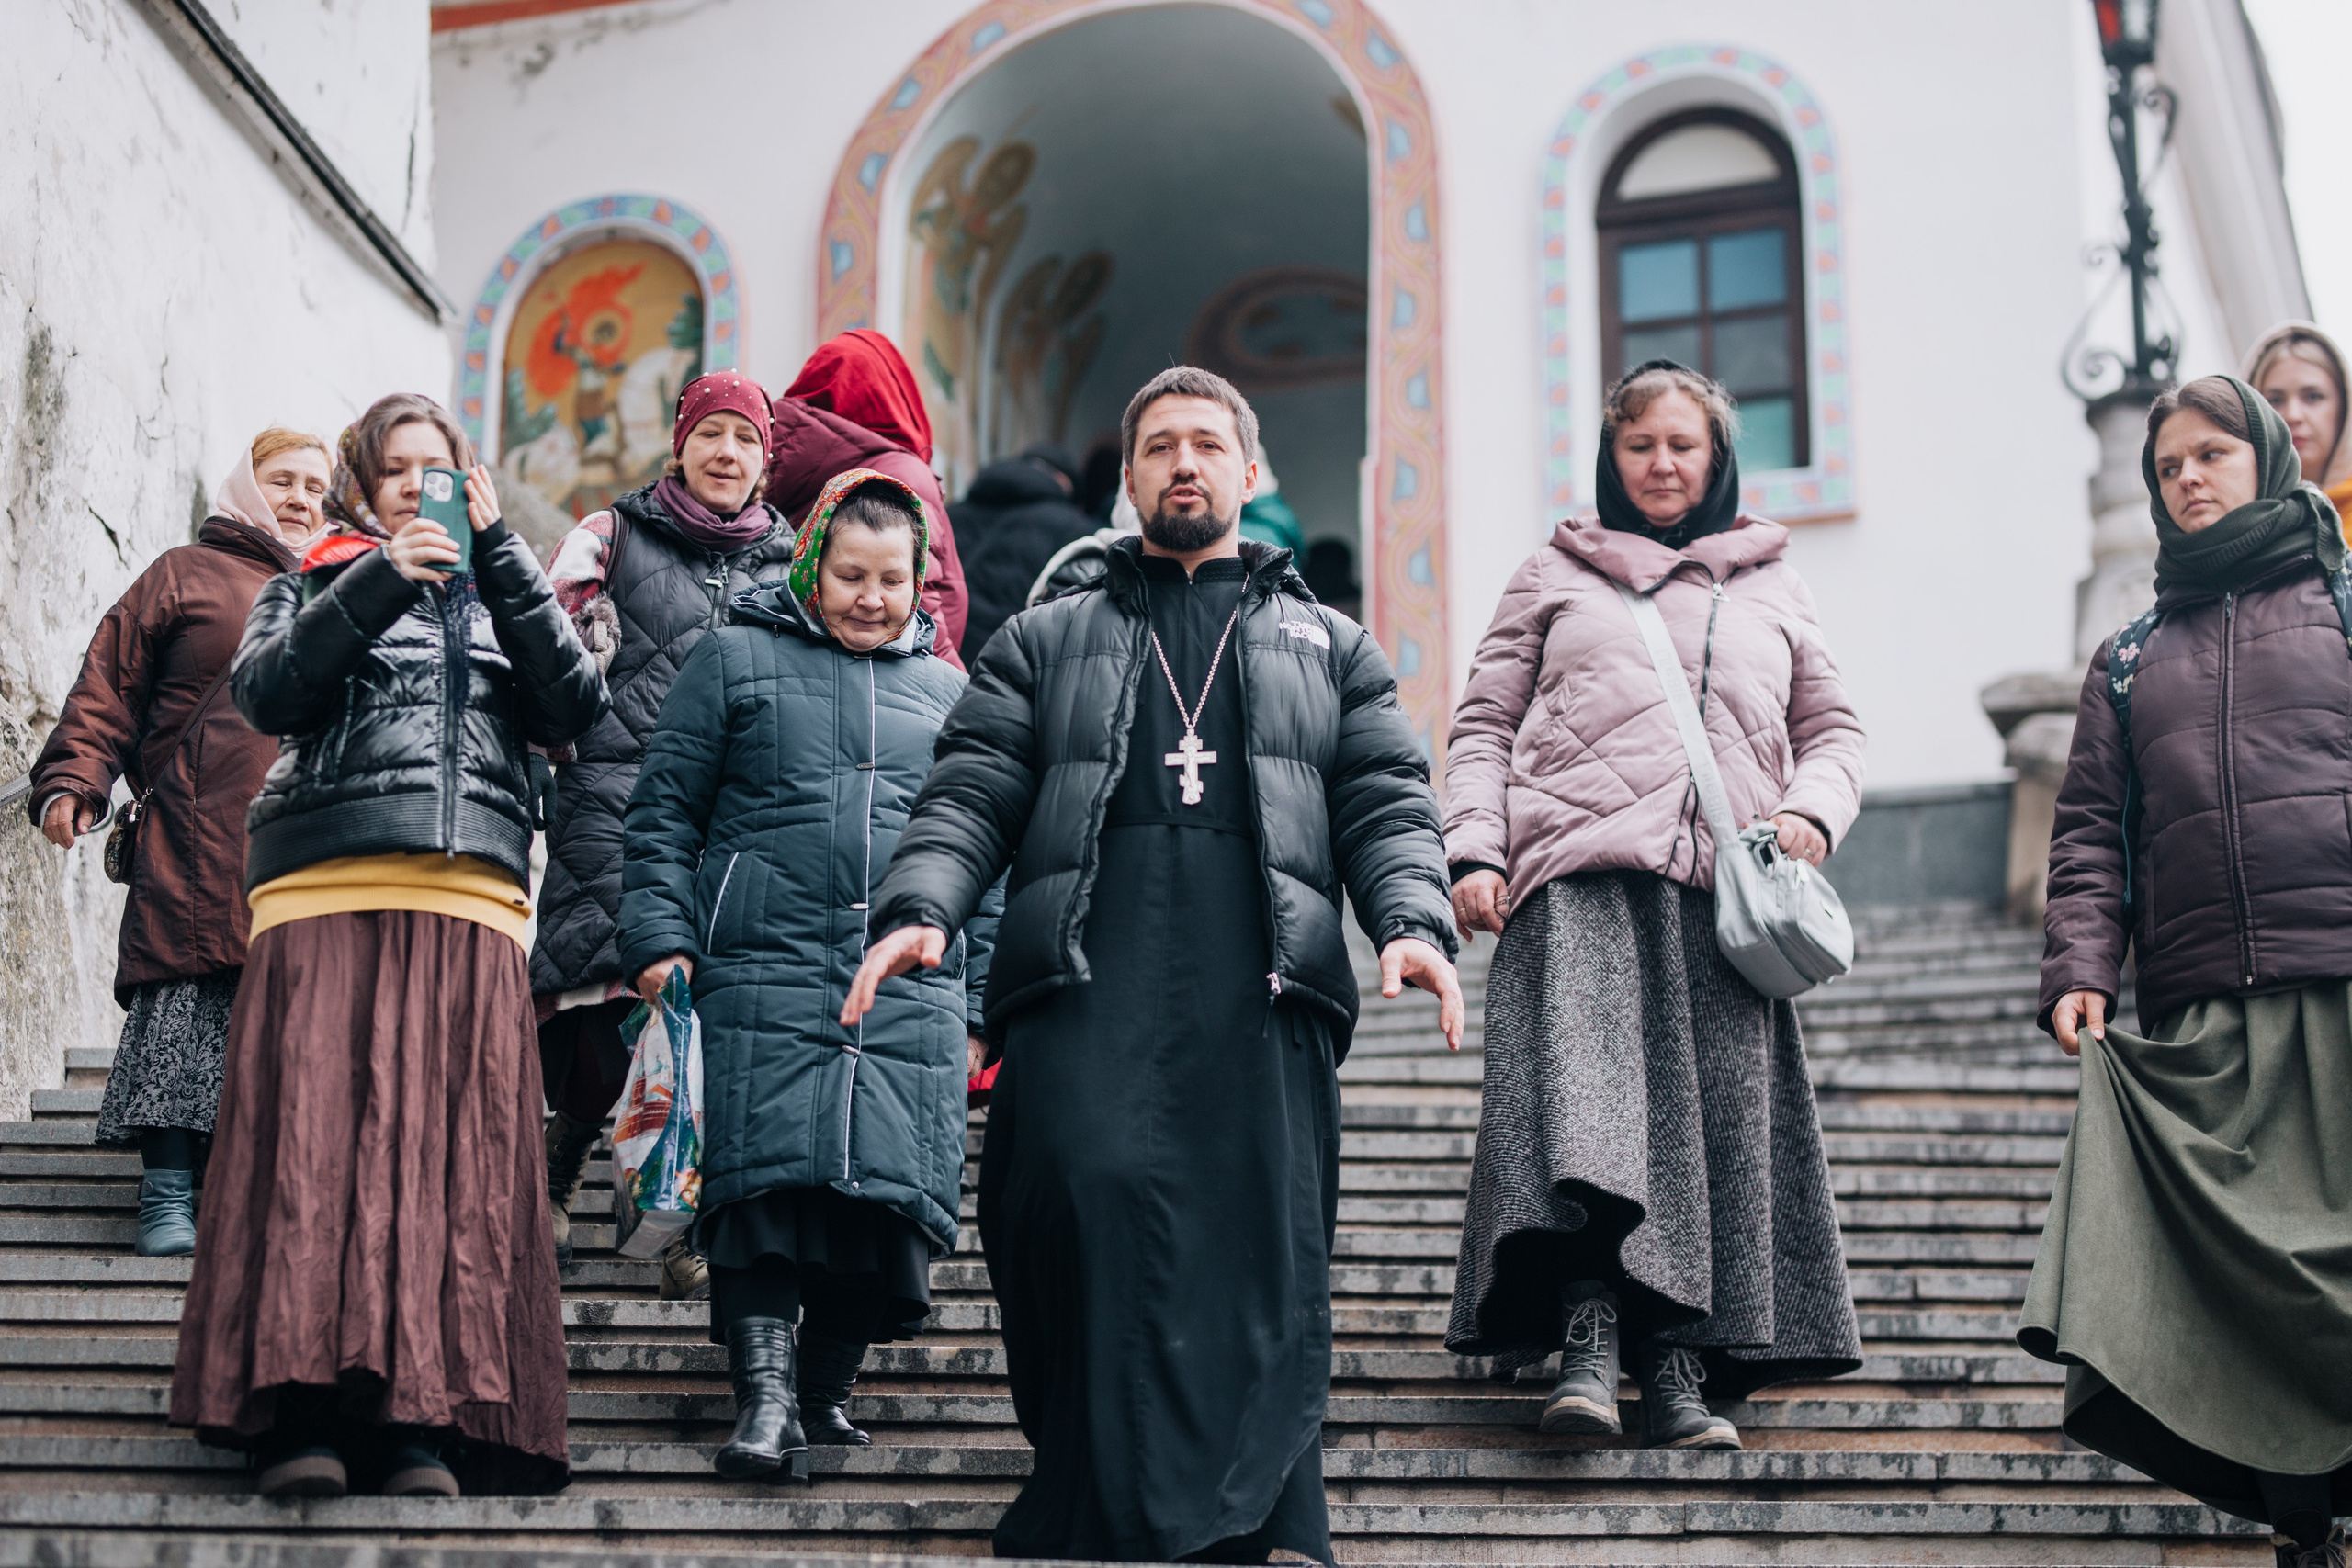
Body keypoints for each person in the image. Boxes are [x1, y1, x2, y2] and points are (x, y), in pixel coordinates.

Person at [842, 366, 1464, 1564]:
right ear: (1124, 482)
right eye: (1160, 445)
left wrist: (1413, 922)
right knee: (1075, 1194)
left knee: (1253, 1243)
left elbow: (1387, 799)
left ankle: (1253, 1504)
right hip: (1089, 971)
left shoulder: (1331, 646)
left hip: (1260, 980)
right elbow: (973, 787)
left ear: (1249, 471)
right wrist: (923, 901)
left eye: (1208, 443)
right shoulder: (1046, 634)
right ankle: (1100, 1480)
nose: (1185, 461)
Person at [170, 393, 606, 1502]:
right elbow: (270, 691)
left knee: (451, 1170)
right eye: (399, 471)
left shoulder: (513, 590)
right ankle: (296, 1417)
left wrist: (500, 554)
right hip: (326, 892)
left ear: (474, 482)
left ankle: (425, 1424)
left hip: (472, 909)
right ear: (367, 490)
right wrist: (377, 578)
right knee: (312, 1153)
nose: (421, 487)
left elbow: (575, 707)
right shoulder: (309, 578)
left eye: (441, 468)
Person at [1441, 360, 1865, 1450]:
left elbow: (1834, 732)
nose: (1663, 463)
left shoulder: (1774, 580)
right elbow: (1483, 723)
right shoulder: (1553, 571)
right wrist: (1472, 851)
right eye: (1641, 445)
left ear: (1717, 458)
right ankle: (1588, 1337)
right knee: (1588, 1126)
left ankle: (1676, 1362)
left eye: (1684, 445)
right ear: (1609, 458)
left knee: (1709, 1138)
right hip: (1575, 885)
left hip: (1720, 901)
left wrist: (1812, 812)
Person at [2028, 374, 2352, 1568]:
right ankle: (2301, 1522)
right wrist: (2081, 964)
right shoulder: (2129, 658)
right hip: (2206, 1009)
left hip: (2344, 987)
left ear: (2265, 456)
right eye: (2168, 467)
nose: (2188, 479)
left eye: (2211, 453)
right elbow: (2087, 835)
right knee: (2248, 1283)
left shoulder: (2344, 602)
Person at [619, 468, 994, 1481]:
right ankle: (765, 1401)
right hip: (758, 966)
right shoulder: (734, 659)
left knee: (883, 1208)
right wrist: (658, 934)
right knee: (763, 1199)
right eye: (850, 575)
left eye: (892, 579)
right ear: (811, 567)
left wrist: (978, 996)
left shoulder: (952, 693)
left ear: (922, 582)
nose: (871, 598)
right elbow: (662, 812)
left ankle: (823, 1391)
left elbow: (983, 854)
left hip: (908, 985)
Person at [29, 428, 330, 1256]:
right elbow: (108, 687)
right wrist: (74, 778)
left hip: (305, 842)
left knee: (285, 1019)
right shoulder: (183, 574)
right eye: (284, 481)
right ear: (248, 485)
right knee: (182, 1009)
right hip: (196, 826)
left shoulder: (345, 587)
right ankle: (166, 1191)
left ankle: (243, 1196)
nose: (302, 498)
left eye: (316, 484)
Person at [533, 370, 796, 1301]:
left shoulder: (794, 560)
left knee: (705, 1017)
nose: (729, 453)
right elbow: (548, 657)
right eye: (713, 433)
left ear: (768, 461)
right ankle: (563, 1158)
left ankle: (677, 1216)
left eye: (748, 440)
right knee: (604, 1007)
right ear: (680, 443)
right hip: (616, 794)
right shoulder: (610, 535)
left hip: (741, 814)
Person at [779, 330, 969, 665]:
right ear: (895, 393)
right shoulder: (900, 476)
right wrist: (954, 697)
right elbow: (927, 612)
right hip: (890, 677)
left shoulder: (793, 460)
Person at [950, 441, 1091, 661]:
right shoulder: (1073, 527)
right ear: (1064, 481)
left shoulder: (954, 511)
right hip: (1000, 662)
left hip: (935, 647)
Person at [2246, 321, 2352, 534]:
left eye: (2313, 397)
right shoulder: (2235, 527)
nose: (2293, 416)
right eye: (2275, 400)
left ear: (2345, 407)